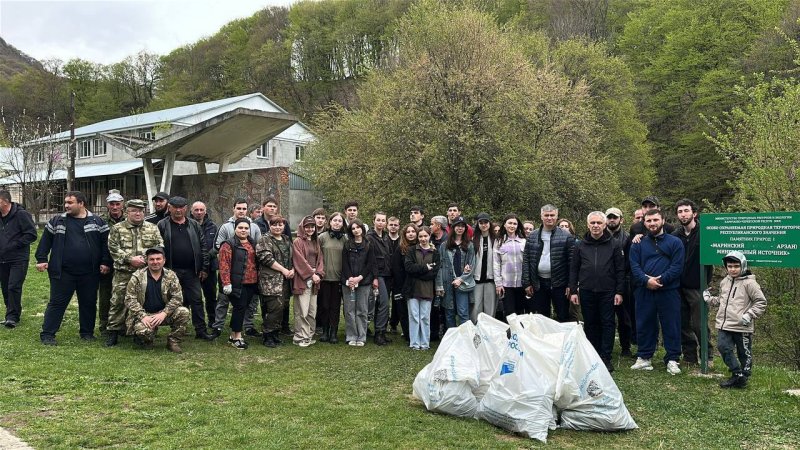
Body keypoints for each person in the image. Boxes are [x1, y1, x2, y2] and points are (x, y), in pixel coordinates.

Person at [36, 191, 112, 345]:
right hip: (63, 272)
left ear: (81, 203)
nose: (66, 205)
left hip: (90, 272)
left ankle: (87, 333)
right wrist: (42, 259)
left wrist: (105, 262)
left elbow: (106, 244)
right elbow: (45, 241)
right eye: (66, 202)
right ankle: (48, 334)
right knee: (57, 303)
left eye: (70, 202)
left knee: (88, 303)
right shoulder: (57, 221)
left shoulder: (98, 222)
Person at [629, 209, 685, 375]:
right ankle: (644, 357)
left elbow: (677, 266)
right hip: (644, 290)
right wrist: (646, 281)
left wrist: (660, 280)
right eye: (649, 221)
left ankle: (672, 359)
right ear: (644, 223)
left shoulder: (675, 242)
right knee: (644, 323)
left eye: (655, 220)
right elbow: (634, 266)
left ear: (663, 220)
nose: (652, 223)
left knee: (671, 324)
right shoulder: (638, 243)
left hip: (669, 290)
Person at [569, 212, 625, 372]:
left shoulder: (614, 244)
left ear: (604, 225)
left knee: (608, 323)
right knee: (590, 323)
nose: (595, 226)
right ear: (588, 225)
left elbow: (620, 269)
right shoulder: (580, 245)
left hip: (608, 291)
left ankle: (606, 357)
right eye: (592, 223)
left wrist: (619, 291)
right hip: (586, 290)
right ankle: (593, 355)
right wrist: (573, 290)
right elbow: (574, 269)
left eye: (599, 223)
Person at [105, 199, 164, 347]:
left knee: (142, 302)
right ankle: (113, 332)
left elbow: (159, 246)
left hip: (145, 273)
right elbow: (113, 247)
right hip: (124, 273)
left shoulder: (152, 228)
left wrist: (144, 259)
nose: (138, 213)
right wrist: (129, 259)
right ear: (127, 212)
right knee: (118, 302)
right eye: (134, 211)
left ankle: (139, 331)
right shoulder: (117, 228)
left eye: (141, 211)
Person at [703, 251, 767, 388]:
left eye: (736, 266)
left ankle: (744, 376)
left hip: (742, 325)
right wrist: (709, 299)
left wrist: (749, 314)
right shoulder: (725, 281)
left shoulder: (750, 283)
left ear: (742, 265)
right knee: (723, 347)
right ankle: (736, 373)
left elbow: (761, 302)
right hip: (724, 324)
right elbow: (722, 300)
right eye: (730, 266)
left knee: (744, 352)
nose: (733, 269)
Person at [157, 196, 212, 340]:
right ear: (169, 208)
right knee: (173, 301)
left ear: (186, 209)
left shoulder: (194, 225)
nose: (178, 210)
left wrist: (204, 268)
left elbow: (203, 247)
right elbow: (158, 248)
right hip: (171, 271)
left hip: (191, 271)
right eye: (175, 207)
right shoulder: (162, 225)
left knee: (197, 300)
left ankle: (201, 331)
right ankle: (177, 330)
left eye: (181, 207)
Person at [211, 198, 262, 338]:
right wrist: (227, 281)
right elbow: (219, 248)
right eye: (239, 208)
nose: (241, 211)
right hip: (232, 276)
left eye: (244, 208)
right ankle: (219, 327)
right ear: (233, 209)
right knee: (224, 302)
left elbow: (259, 248)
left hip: (249, 279)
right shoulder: (225, 228)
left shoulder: (254, 228)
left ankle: (247, 326)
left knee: (247, 305)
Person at [124, 246, 190, 353]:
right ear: (147, 261)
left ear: (164, 260)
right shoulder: (137, 276)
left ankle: (173, 341)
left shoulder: (171, 275)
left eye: (158, 259)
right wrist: (143, 316)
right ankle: (147, 340)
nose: (155, 262)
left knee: (184, 312)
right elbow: (129, 299)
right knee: (142, 330)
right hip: (145, 315)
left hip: (164, 314)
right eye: (152, 259)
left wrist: (164, 313)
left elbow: (177, 298)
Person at [673, 199, 714, 366]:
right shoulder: (675, 236)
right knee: (683, 323)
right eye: (680, 212)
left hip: (698, 286)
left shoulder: (705, 232)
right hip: (678, 286)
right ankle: (689, 357)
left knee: (700, 324)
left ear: (694, 213)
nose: (683, 214)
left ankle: (707, 356)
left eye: (686, 211)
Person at [522, 204, 575, 322]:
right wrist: (526, 282)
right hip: (538, 283)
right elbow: (526, 260)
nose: (549, 218)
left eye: (552, 215)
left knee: (562, 316)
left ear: (556, 216)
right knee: (542, 317)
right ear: (541, 216)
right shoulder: (532, 236)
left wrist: (570, 285)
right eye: (546, 215)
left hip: (560, 283)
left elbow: (572, 263)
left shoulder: (567, 236)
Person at [219, 218, 259, 349]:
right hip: (237, 283)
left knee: (243, 308)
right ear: (235, 229)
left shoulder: (253, 243)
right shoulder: (228, 244)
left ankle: (232, 335)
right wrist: (226, 283)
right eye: (240, 228)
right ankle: (237, 337)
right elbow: (224, 265)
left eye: (246, 228)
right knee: (239, 307)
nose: (243, 230)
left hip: (251, 282)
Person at [256, 214, 294, 348]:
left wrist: (293, 269)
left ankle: (275, 333)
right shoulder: (264, 239)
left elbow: (293, 257)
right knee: (273, 307)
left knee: (282, 307)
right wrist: (284, 270)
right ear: (270, 225)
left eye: (280, 225)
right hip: (271, 280)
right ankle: (267, 335)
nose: (278, 227)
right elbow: (266, 257)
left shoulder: (286, 239)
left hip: (286, 280)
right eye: (274, 225)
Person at [0, 190, 37, 329]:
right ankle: (9, 313)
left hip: (18, 258)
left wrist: (14, 244)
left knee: (13, 286)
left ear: (5, 201)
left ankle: (12, 317)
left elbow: (32, 234)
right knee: (5, 288)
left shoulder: (21, 214)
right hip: (2, 258)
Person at [404, 226, 440, 350]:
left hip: (427, 289)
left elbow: (434, 273)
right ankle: (414, 343)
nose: (423, 239)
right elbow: (409, 267)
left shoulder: (435, 252)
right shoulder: (412, 250)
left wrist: (418, 272)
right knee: (414, 316)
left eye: (425, 236)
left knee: (425, 317)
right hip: (412, 289)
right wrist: (425, 268)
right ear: (417, 237)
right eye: (420, 236)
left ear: (429, 236)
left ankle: (425, 343)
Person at [341, 218, 376, 347]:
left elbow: (370, 264)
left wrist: (359, 278)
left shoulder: (369, 245)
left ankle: (361, 336)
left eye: (358, 227)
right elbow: (344, 263)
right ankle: (351, 336)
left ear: (362, 228)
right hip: (348, 282)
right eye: (353, 228)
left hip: (364, 282)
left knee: (362, 310)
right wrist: (350, 278)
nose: (356, 230)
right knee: (349, 310)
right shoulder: (347, 245)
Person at [436, 216, 475, 328]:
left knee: (463, 312)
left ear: (465, 229)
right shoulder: (444, 245)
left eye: (462, 226)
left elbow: (472, 265)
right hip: (447, 283)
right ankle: (452, 337)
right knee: (449, 313)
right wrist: (439, 285)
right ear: (453, 227)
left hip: (462, 284)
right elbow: (440, 266)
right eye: (458, 225)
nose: (460, 228)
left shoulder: (469, 245)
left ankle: (465, 336)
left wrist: (460, 279)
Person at [606, 207, 635, 357]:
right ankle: (606, 346)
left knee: (624, 317)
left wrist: (622, 281)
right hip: (604, 282)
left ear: (621, 220)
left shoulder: (628, 238)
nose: (612, 220)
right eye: (609, 217)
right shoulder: (599, 236)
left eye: (615, 217)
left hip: (623, 281)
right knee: (605, 317)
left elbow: (630, 261)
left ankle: (626, 347)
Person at [292, 216, 324, 347]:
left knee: (312, 310)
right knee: (302, 310)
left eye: (312, 226)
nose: (310, 229)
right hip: (302, 280)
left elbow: (320, 260)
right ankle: (300, 337)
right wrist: (311, 274)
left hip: (315, 281)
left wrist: (319, 274)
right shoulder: (297, 242)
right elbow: (299, 261)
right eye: (307, 227)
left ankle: (309, 335)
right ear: (302, 227)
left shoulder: (316, 242)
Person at [98, 189, 126, 334]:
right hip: (106, 262)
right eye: (112, 204)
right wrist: (104, 262)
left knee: (125, 295)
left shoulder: (129, 219)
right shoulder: (100, 220)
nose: (115, 207)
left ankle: (123, 324)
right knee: (105, 294)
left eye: (117, 204)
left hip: (125, 262)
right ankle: (104, 324)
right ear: (107, 205)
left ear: (122, 204)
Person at [316, 212, 346, 344]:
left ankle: (334, 332)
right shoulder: (322, 237)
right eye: (335, 220)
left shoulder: (345, 239)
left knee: (335, 306)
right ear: (330, 222)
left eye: (340, 221)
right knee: (324, 306)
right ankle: (325, 331)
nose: (337, 223)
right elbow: (317, 256)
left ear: (343, 223)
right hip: (324, 277)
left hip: (339, 278)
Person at [191, 201, 218, 329]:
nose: (199, 212)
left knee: (211, 296)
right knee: (192, 297)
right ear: (191, 212)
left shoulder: (213, 226)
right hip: (192, 267)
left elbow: (217, 245)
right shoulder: (187, 225)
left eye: (201, 210)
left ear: (205, 211)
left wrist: (205, 259)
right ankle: (193, 323)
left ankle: (213, 320)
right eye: (196, 210)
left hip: (210, 268)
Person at [494, 214, 527, 317]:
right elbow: (496, 263)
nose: (512, 226)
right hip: (506, 284)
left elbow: (528, 262)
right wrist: (498, 283)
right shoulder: (499, 242)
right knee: (509, 313)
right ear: (504, 225)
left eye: (514, 224)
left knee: (521, 312)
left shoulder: (523, 241)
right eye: (510, 223)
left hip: (522, 283)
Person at [367, 212, 392, 345]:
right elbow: (371, 260)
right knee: (384, 303)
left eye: (383, 220)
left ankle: (381, 331)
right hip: (377, 275)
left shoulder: (386, 237)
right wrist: (375, 277)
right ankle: (379, 333)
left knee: (381, 304)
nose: (381, 222)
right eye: (378, 220)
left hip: (387, 274)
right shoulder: (370, 238)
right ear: (374, 221)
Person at [391, 223, 417, 343]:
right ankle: (408, 335)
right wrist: (401, 286)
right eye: (408, 232)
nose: (411, 234)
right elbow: (396, 269)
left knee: (415, 311)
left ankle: (416, 334)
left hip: (417, 284)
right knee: (403, 311)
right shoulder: (400, 249)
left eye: (413, 231)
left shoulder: (421, 247)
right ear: (404, 234)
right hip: (401, 285)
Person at [471, 212, 496, 322]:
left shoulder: (496, 239)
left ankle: (489, 330)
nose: (483, 225)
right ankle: (476, 329)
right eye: (481, 223)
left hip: (491, 279)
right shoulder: (473, 239)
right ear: (478, 224)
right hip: (477, 279)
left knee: (490, 309)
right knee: (475, 308)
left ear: (490, 223)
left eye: (486, 222)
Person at [386, 216, 402, 334]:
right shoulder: (384, 239)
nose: (393, 227)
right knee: (383, 300)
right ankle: (383, 323)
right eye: (391, 225)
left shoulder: (402, 240)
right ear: (387, 226)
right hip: (385, 274)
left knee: (397, 300)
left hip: (398, 275)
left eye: (395, 225)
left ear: (399, 226)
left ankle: (394, 324)